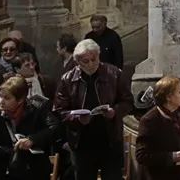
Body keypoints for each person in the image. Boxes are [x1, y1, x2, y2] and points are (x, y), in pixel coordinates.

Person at [53, 39, 134, 180]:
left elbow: (128, 101)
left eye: (94, 59)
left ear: (98, 56)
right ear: (77, 61)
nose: (91, 64)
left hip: (109, 139)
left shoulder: (114, 74)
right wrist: (77, 118)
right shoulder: (68, 79)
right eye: (85, 61)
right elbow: (59, 110)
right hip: (82, 141)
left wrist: (115, 111)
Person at [0, 76, 57, 180]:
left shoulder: (37, 109)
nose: (1, 101)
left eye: (7, 98)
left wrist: (32, 139)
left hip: (33, 169)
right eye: (0, 96)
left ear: (20, 100)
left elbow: (55, 127)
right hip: (2, 171)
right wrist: (10, 150)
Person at [135, 76, 180, 180]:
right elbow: (142, 155)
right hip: (160, 175)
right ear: (169, 97)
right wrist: (172, 156)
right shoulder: (149, 120)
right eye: (179, 92)